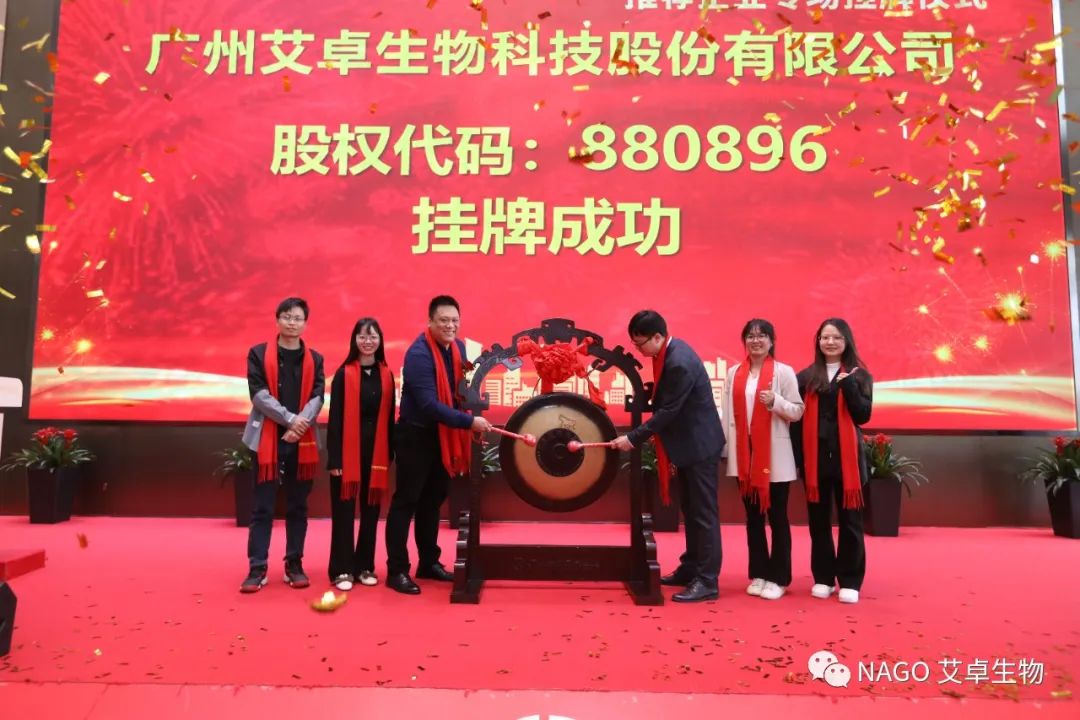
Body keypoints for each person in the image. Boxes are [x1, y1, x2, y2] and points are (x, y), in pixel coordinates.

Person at [612, 310, 726, 603]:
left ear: (658, 337)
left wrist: (633, 438)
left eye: (640, 343)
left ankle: (707, 580)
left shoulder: (679, 363)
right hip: (688, 445)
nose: (639, 349)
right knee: (690, 509)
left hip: (700, 446)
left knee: (703, 514)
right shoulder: (669, 353)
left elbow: (668, 411)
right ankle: (691, 568)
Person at [384, 295, 492, 595]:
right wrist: (468, 422)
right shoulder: (418, 354)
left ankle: (429, 562)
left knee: (432, 501)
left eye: (455, 320)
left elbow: (462, 390)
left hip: (442, 437)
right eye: (444, 320)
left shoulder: (458, 349)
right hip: (415, 436)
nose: (450, 326)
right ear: (430, 321)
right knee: (406, 502)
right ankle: (396, 570)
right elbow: (429, 405)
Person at [240, 297, 325, 593]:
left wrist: (299, 425)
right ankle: (257, 567)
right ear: (277, 320)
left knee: (298, 506)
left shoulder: (315, 358)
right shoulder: (258, 354)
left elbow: (318, 396)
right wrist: (291, 420)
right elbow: (258, 395)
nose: (292, 322)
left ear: (305, 323)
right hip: (266, 440)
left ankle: (294, 564)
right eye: (287, 317)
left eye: (297, 318)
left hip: (302, 442)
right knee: (262, 507)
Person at [792, 318, 873, 604]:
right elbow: (796, 423)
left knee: (851, 522)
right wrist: (799, 460)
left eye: (837, 337)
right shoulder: (805, 377)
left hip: (848, 463)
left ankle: (850, 580)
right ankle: (823, 577)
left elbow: (863, 416)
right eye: (825, 337)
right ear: (818, 341)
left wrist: (848, 386)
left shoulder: (859, 375)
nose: (830, 342)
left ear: (846, 341)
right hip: (815, 462)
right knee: (818, 522)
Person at [723, 319, 804, 601]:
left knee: (777, 517)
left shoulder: (784, 372)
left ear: (771, 341)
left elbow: (797, 411)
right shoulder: (734, 373)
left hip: (774, 457)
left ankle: (779, 577)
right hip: (744, 455)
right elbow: (727, 414)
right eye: (750, 336)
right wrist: (726, 450)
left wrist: (776, 402)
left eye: (762, 336)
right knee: (753, 518)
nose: (756, 341)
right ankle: (759, 572)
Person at [326, 317, 396, 591]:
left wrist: (389, 454)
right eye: (362, 336)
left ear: (380, 341)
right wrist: (335, 459)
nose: (368, 342)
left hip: (375, 455)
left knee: (371, 512)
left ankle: (365, 566)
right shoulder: (343, 374)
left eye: (373, 336)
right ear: (354, 340)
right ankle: (341, 569)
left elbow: (389, 419)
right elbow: (334, 420)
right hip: (346, 456)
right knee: (343, 513)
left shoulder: (387, 375)